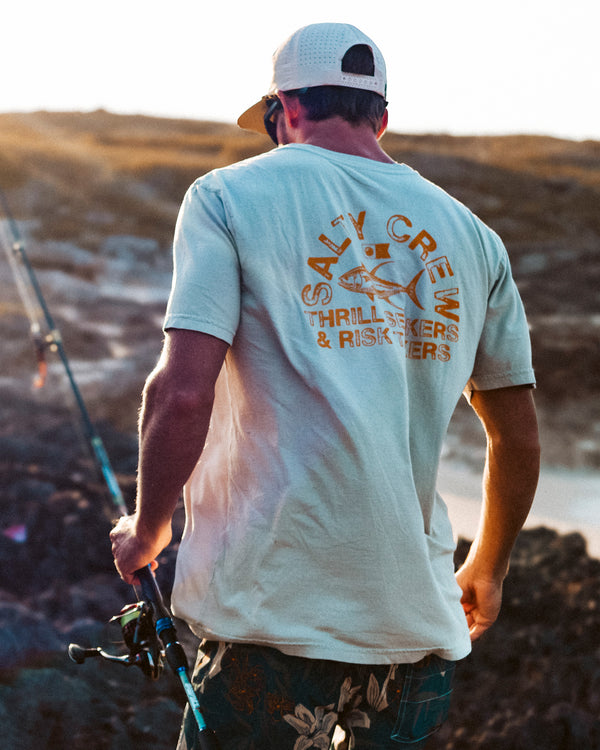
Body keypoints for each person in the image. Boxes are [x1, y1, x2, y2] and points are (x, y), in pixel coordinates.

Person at [110, 22, 540, 749]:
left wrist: (149, 527)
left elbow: (181, 394)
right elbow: (517, 433)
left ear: (287, 107)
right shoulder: (473, 236)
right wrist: (487, 566)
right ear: (381, 117)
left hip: (274, 623)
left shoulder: (226, 196)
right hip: (416, 636)